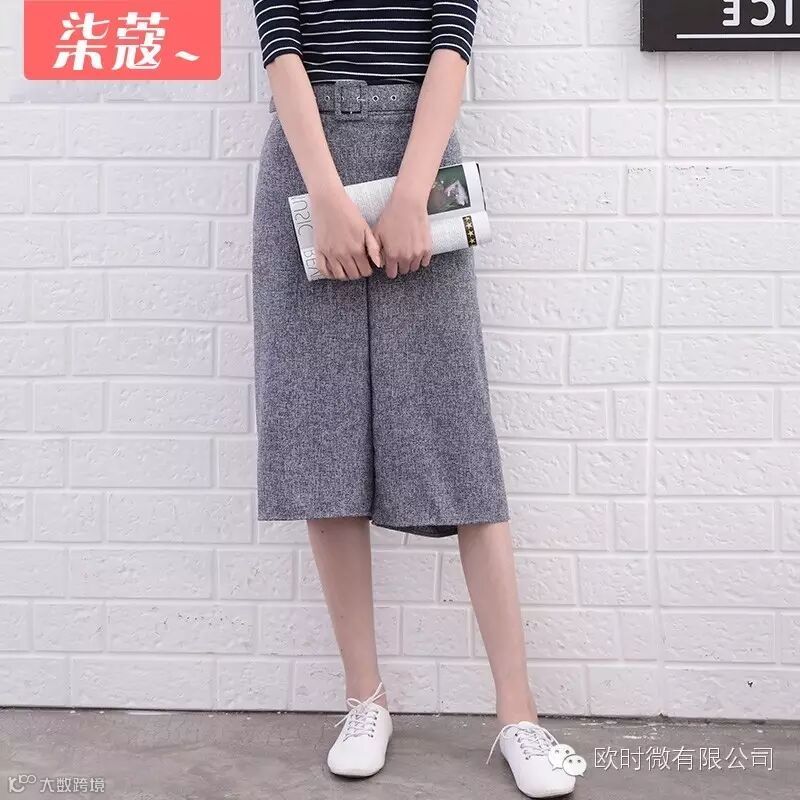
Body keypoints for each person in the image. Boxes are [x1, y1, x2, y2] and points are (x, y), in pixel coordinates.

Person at [249, 1, 579, 797]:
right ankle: (365, 701)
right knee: (321, 436)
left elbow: (451, 47)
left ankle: (518, 716)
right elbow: (281, 49)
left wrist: (412, 193)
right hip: (307, 164)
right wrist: (328, 197)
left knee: (455, 434)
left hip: (420, 157)